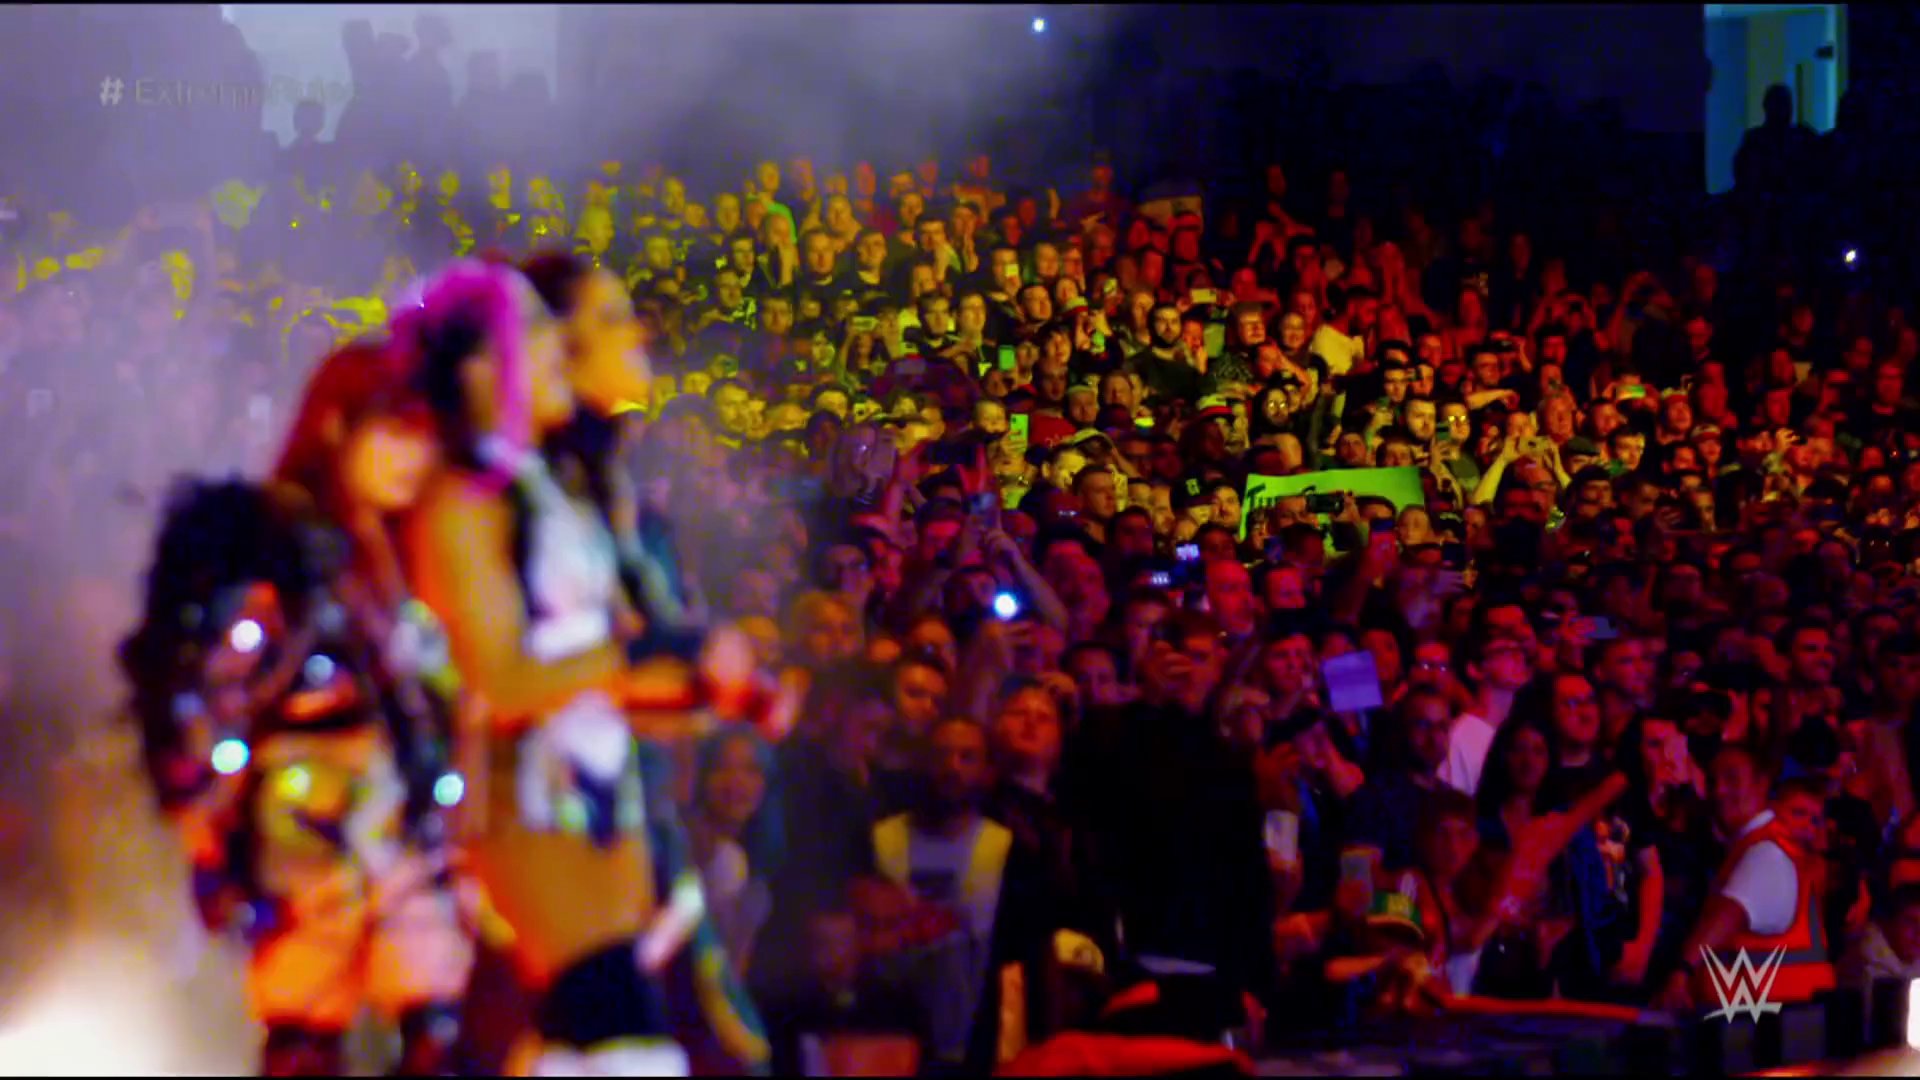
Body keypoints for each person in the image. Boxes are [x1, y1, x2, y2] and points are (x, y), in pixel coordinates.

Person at [396, 260, 700, 1075]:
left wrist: (701, 686)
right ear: (478, 369)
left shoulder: (551, 491)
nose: (559, 348)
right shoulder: (462, 503)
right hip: (527, 811)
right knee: (624, 1046)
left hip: (597, 805)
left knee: (591, 1048)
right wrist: (637, 658)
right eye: (535, 330)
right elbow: (499, 681)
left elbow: (594, 659)